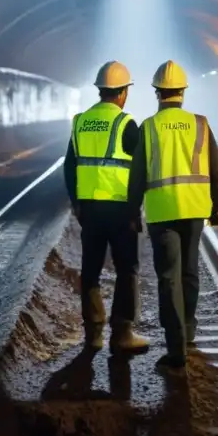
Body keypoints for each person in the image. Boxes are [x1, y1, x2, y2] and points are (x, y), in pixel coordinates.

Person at [128, 59, 218, 374]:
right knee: (189, 273)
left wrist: (132, 211)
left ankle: (176, 349)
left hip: (163, 212)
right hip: (195, 209)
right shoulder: (200, 123)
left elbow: (137, 175)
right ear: (183, 91)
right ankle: (189, 331)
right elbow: (216, 167)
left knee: (169, 278)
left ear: (158, 92)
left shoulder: (149, 126)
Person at [64, 61, 149, 354]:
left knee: (91, 271)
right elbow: (140, 171)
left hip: (90, 210)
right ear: (123, 92)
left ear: (100, 91)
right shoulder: (126, 124)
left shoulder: (80, 121)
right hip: (120, 210)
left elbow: (69, 166)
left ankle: (94, 335)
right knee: (127, 269)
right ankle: (122, 334)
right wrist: (135, 209)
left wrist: (76, 203)